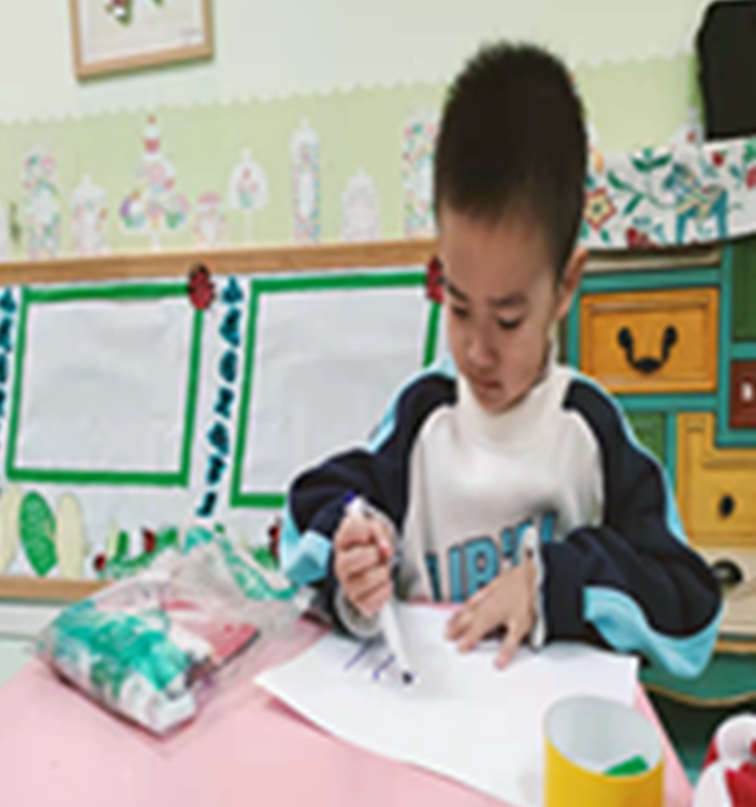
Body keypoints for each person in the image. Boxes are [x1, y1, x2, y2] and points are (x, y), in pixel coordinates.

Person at [280, 42, 721, 675]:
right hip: (423, 714)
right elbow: (308, 517)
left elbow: (691, 608)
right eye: (459, 307)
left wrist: (553, 583)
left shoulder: (588, 429)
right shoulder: (424, 415)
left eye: (508, 321)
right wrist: (350, 552)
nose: (477, 351)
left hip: (552, 727)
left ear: (566, 286)